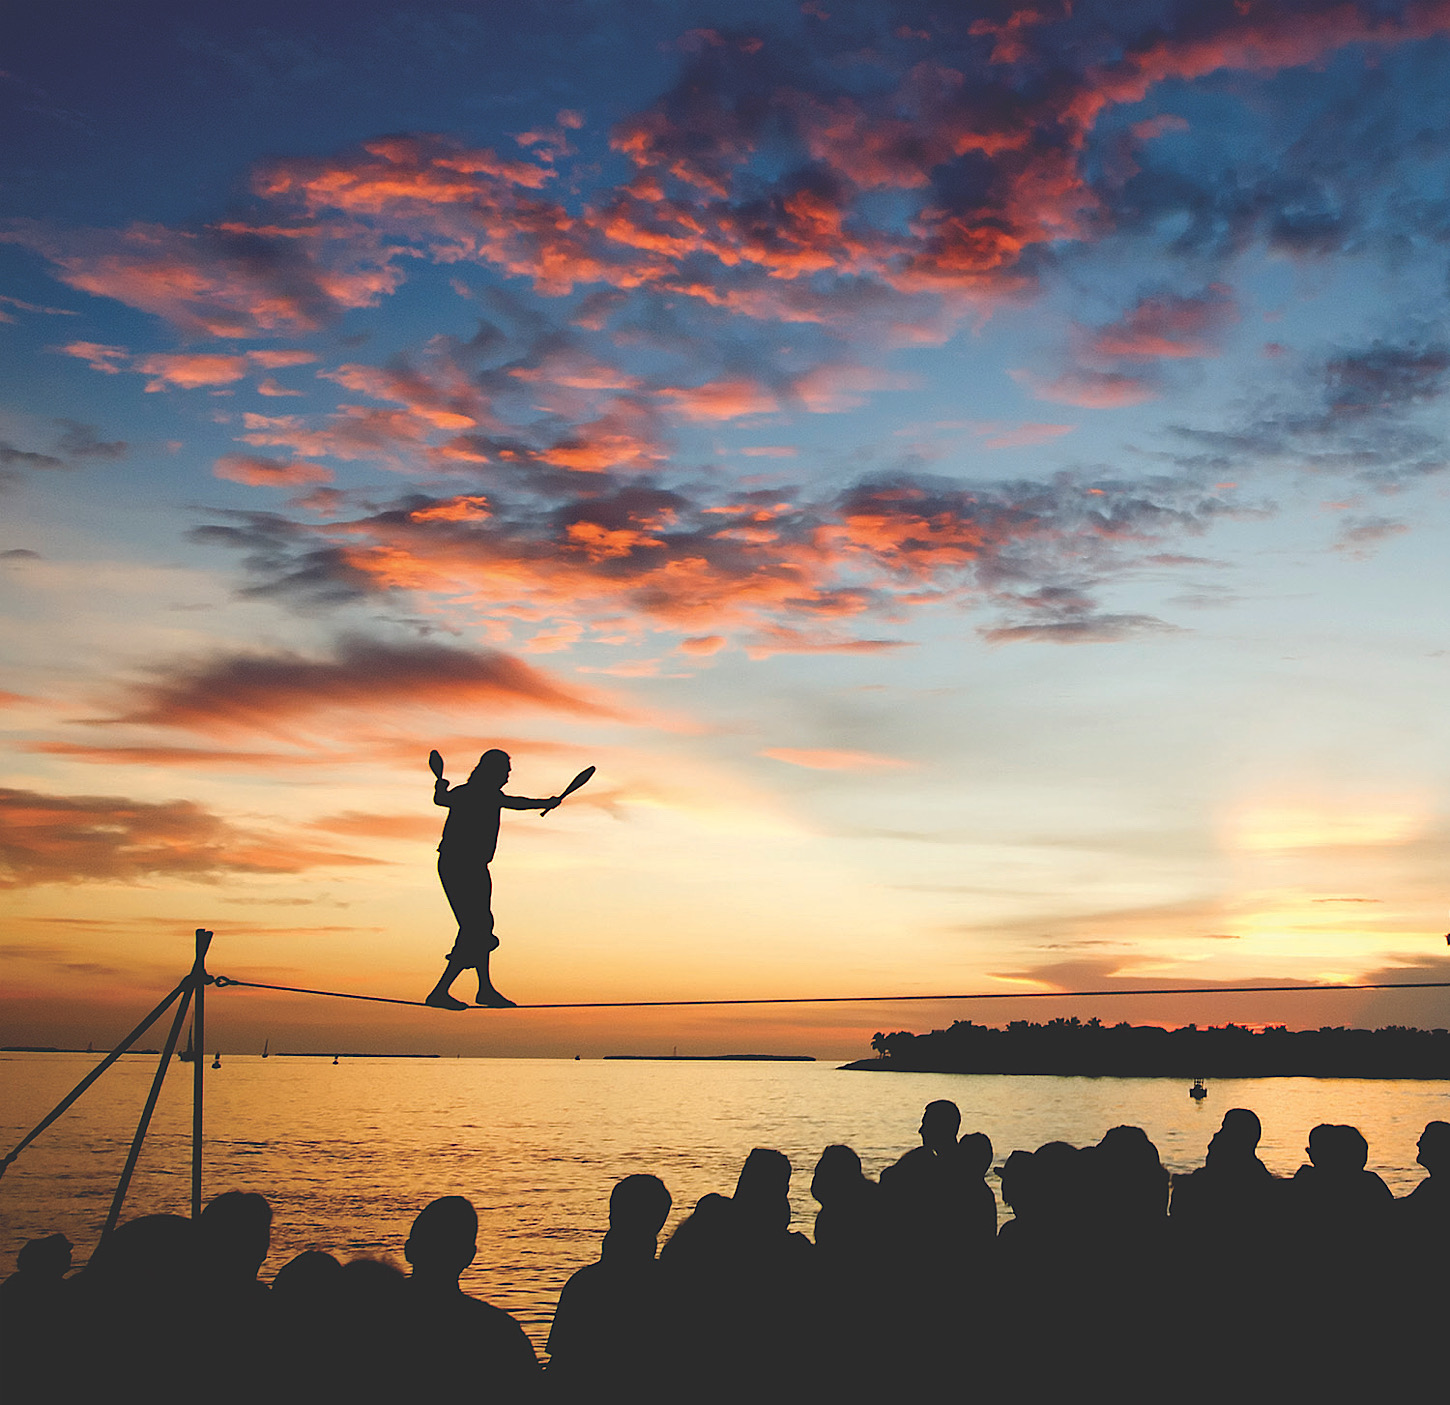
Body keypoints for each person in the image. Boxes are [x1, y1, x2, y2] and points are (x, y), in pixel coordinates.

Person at [425, 748, 560, 1009]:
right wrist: (545, 803)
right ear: (492, 772)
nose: (508, 776)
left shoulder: (466, 793)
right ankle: (444, 992)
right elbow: (516, 802)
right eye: (505, 772)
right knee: (475, 930)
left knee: (480, 927)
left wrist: (440, 785)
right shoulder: (479, 794)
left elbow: (441, 799)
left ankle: (483, 989)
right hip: (460, 866)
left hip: (472, 866)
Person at [547, 1174, 672, 1401]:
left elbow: (561, 1366)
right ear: (659, 1222)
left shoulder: (583, 1284)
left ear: (612, 1215)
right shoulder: (671, 1285)